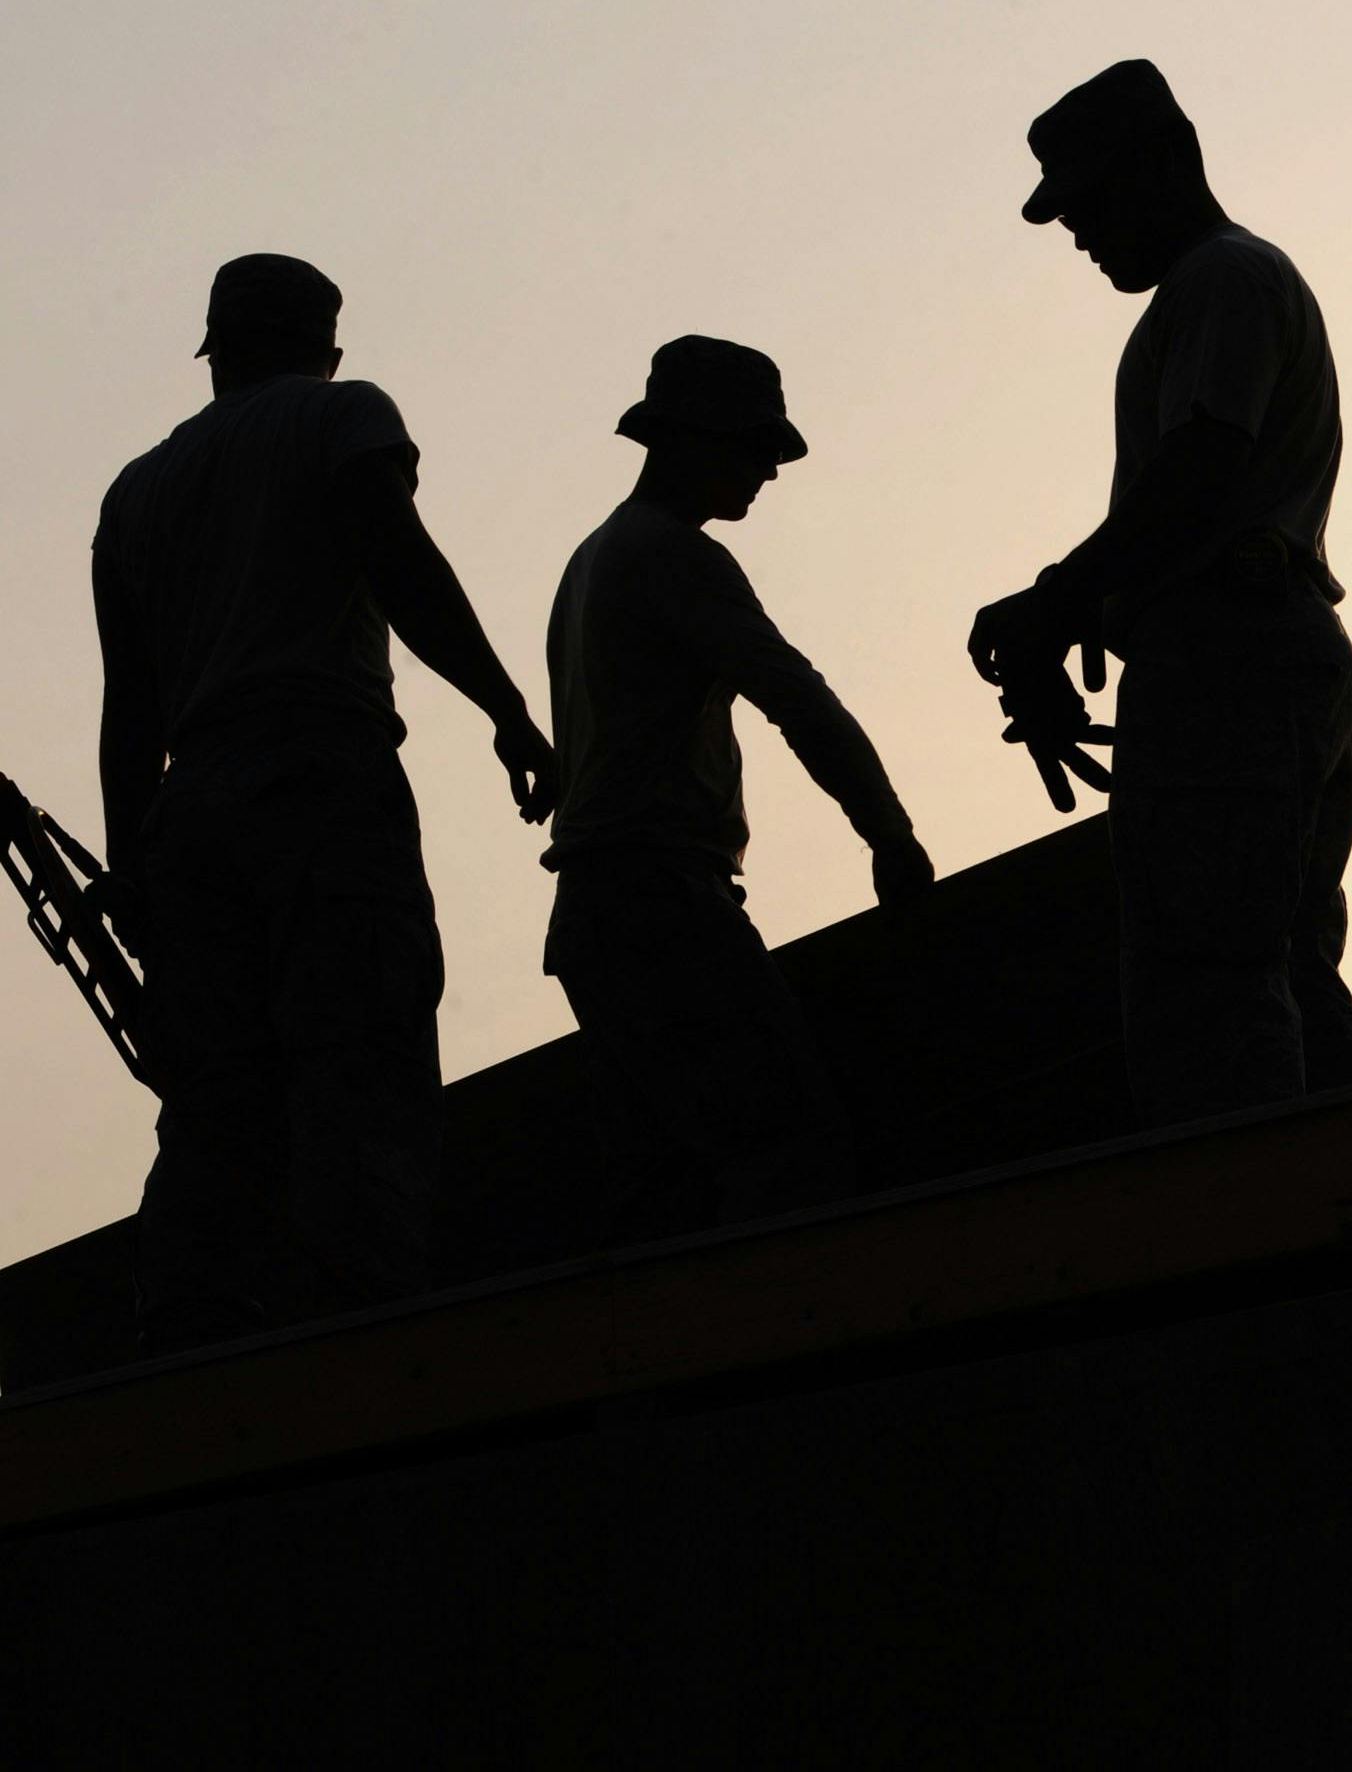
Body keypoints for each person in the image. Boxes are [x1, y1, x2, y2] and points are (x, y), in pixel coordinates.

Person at [92, 253, 559, 1352]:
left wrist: (129, 870)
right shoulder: (342, 416)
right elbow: (399, 565)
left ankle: (186, 1345)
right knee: (362, 1055)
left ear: (216, 354)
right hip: (318, 776)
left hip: (188, 811)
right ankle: (373, 1334)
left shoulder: (134, 493)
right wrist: (505, 708)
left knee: (211, 1103)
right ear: (325, 347)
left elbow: (129, 710)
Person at [969, 60, 1352, 1127]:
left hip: (1234, 665)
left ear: (1164, 165)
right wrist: (1090, 618)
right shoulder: (1220, 290)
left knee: (1210, 991)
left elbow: (1200, 470)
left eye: (1090, 204)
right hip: (1266, 658)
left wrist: (1058, 603)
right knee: (1285, 972)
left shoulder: (1221, 280)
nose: (1080, 235)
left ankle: (1258, 1243)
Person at [541, 336, 933, 1242]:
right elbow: (795, 697)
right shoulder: (672, 555)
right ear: (690, 439)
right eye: (753, 447)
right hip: (658, 903)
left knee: (660, 1189)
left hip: (599, 916)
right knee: (786, 1149)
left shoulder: (591, 559)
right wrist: (889, 833)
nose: (768, 470)